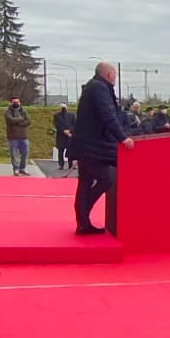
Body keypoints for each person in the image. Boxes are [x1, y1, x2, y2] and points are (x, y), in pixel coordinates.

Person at [72, 63, 134, 234]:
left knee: (85, 182)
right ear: (108, 74)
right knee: (105, 180)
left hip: (86, 145)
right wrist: (123, 138)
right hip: (93, 147)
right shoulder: (99, 88)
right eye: (115, 74)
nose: (116, 77)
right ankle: (83, 214)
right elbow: (107, 115)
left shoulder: (93, 86)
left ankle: (83, 222)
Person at [4, 97, 31, 174]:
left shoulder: (23, 111)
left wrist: (18, 123)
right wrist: (22, 119)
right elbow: (10, 120)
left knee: (25, 153)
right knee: (14, 154)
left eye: (17, 102)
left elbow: (28, 121)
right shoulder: (8, 112)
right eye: (14, 102)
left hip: (23, 136)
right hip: (13, 137)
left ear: (20, 103)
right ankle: (16, 168)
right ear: (11, 103)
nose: (16, 103)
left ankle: (22, 168)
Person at [52, 103, 76, 170]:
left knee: (70, 151)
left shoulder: (72, 115)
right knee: (60, 151)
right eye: (62, 107)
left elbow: (74, 124)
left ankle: (70, 165)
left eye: (64, 107)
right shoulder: (56, 115)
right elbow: (56, 124)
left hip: (70, 135)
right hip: (61, 135)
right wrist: (63, 130)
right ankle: (61, 165)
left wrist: (69, 130)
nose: (63, 108)